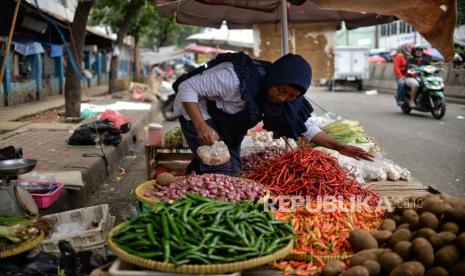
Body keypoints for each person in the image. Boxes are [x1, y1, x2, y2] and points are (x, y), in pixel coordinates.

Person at [172, 52, 374, 176]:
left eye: (292, 96)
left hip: (228, 123)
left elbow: (305, 127)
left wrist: (339, 147)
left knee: (232, 169)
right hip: (196, 110)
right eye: (282, 90)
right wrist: (201, 125)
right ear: (274, 78)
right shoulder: (235, 79)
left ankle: (193, 180)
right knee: (220, 171)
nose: (284, 98)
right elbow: (187, 87)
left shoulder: (288, 100)